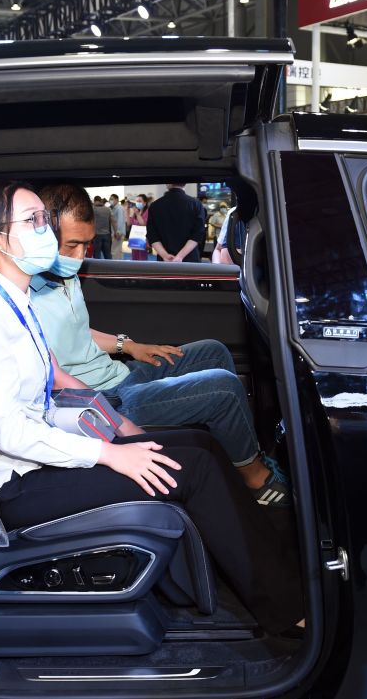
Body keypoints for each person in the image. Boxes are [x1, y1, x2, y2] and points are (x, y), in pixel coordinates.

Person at [0, 179, 303, 632]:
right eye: (32, 221)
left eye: (45, 220)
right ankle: (287, 609)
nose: (45, 230)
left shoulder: (15, 299)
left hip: (42, 453)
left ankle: (278, 564)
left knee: (200, 445)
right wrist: (110, 453)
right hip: (13, 486)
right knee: (195, 470)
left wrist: (120, 426)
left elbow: (56, 375)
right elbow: (8, 433)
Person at [33, 183, 292, 507]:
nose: (80, 256)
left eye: (86, 245)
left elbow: (78, 332)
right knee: (224, 389)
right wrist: (108, 414)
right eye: (72, 245)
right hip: (104, 401)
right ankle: (253, 478)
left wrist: (131, 346)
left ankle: (233, 452)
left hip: (118, 375)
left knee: (213, 350)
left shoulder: (65, 277)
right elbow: (50, 375)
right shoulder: (24, 293)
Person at [147, 184, 206, 263]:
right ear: (185, 184)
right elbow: (198, 234)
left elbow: (152, 235)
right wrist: (180, 257)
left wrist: (165, 255)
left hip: (164, 261)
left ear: (167, 184)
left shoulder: (155, 206)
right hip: (190, 260)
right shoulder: (196, 204)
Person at [127, 195, 150, 261]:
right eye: (136, 201)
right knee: (134, 258)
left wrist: (137, 213)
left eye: (139, 201)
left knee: (142, 258)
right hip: (135, 238)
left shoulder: (147, 212)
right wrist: (127, 211)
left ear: (145, 203)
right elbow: (129, 223)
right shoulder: (135, 212)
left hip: (143, 239)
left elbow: (143, 224)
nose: (137, 203)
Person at [108, 193, 126, 260]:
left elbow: (120, 221)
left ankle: (115, 265)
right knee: (118, 251)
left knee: (115, 251)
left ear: (117, 200)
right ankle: (120, 264)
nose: (110, 200)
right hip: (115, 232)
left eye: (112, 199)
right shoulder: (113, 208)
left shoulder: (119, 208)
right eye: (110, 199)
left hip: (118, 233)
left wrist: (118, 232)